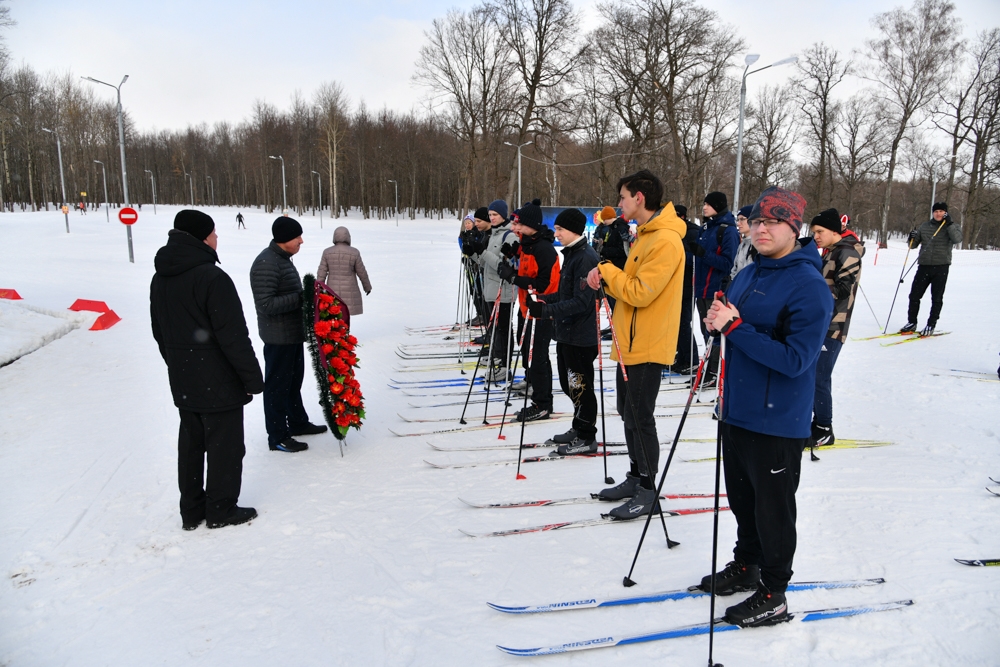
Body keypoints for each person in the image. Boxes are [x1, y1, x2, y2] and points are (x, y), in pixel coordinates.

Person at [699, 186, 832, 627]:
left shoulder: (809, 285)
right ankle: (747, 563)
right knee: (743, 500)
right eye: (756, 221)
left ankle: (774, 591)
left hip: (776, 419)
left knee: (773, 510)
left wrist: (734, 327)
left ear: (794, 228)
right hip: (736, 408)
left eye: (771, 222)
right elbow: (735, 323)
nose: (760, 229)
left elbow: (797, 361)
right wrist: (720, 316)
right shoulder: (750, 271)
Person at [150, 210, 263, 530]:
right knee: (225, 447)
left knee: (191, 444)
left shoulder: (161, 277)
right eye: (214, 233)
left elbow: (159, 331)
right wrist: (253, 379)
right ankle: (221, 509)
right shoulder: (212, 277)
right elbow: (234, 336)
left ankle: (192, 510)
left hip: (184, 378)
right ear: (202, 238)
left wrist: (179, 363)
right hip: (219, 380)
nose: (217, 238)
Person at [586, 169, 686, 519]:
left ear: (639, 198)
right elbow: (630, 283)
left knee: (640, 416)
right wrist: (608, 275)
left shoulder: (665, 240)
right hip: (629, 339)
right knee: (626, 412)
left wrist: (606, 269)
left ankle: (648, 488)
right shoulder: (645, 235)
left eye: (623, 197)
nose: (619, 204)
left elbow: (641, 292)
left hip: (648, 342)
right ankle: (635, 475)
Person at [250, 217, 328, 453]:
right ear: (285, 239)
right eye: (297, 237)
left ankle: (297, 422)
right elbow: (266, 304)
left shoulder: (282, 259)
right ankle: (277, 436)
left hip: (291, 334)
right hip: (278, 338)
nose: (301, 241)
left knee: (293, 383)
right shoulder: (267, 263)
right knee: (277, 387)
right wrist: (300, 298)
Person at [527, 208, 601, 453]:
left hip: (581, 335)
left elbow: (582, 302)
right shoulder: (572, 254)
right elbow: (566, 294)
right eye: (556, 229)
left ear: (574, 231)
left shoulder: (585, 257)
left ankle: (586, 435)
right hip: (567, 333)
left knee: (580, 385)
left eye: (560, 229)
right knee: (568, 383)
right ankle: (578, 424)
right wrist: (544, 300)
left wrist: (547, 312)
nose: (556, 233)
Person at [497, 199, 559, 422]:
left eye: (518, 225)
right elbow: (525, 270)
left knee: (538, 358)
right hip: (526, 310)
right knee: (529, 355)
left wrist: (513, 277)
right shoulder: (527, 244)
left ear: (531, 225)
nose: (514, 228)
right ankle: (538, 396)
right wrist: (513, 257)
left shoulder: (544, 249)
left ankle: (543, 404)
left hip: (541, 312)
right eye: (514, 224)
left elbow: (542, 284)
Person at [810, 208, 864, 447]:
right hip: (819, 322)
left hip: (834, 325)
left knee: (820, 377)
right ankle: (816, 421)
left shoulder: (848, 252)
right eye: (814, 232)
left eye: (820, 231)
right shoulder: (829, 252)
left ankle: (824, 428)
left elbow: (844, 290)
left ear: (834, 231)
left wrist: (811, 289)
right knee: (811, 375)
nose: (816, 237)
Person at [688, 191, 740, 384]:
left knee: (715, 333)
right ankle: (708, 368)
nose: (704, 207)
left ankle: (713, 371)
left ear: (717, 206)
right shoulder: (706, 227)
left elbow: (727, 263)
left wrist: (703, 253)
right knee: (705, 331)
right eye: (704, 203)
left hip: (716, 288)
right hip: (701, 287)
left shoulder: (727, 230)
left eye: (708, 204)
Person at [900, 202, 962, 336]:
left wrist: (949, 224)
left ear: (945, 213)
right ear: (933, 213)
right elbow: (913, 246)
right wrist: (911, 238)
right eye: (936, 211)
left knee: (936, 298)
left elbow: (957, 239)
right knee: (914, 295)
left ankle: (931, 324)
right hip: (924, 266)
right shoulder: (925, 226)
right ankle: (912, 322)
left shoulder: (952, 226)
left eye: (941, 211)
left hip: (941, 267)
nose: (938, 214)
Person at [476, 199, 517, 381]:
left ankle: (505, 365)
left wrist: (483, 252)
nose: (492, 218)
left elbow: (502, 265)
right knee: (496, 327)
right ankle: (499, 357)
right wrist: (474, 252)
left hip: (504, 291)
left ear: (503, 215)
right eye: (490, 215)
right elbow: (485, 264)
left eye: (495, 215)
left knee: (504, 329)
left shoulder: (509, 235)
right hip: (490, 288)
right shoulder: (493, 234)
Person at [671, 204, 701, 375]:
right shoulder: (675, 231)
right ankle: (682, 357)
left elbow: (694, 258)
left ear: (681, 217)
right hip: (676, 282)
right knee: (676, 323)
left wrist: (678, 253)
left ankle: (692, 359)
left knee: (684, 323)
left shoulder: (692, 232)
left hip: (688, 283)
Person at [317, 226, 372, 317]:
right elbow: (362, 272)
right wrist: (367, 287)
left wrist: (319, 290)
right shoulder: (354, 252)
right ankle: (346, 330)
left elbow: (321, 272)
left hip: (332, 290)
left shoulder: (327, 252)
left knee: (335, 315)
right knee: (347, 315)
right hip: (350, 290)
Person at [460, 207, 491, 327]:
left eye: (470, 223)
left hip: (481, 269)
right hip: (472, 266)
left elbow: (482, 252)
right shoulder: (465, 234)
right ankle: (481, 314)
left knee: (480, 291)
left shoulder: (480, 234)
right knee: (474, 290)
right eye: (466, 223)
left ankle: (483, 315)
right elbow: (464, 247)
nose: (468, 225)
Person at [728, 205, 756, 284]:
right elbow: (735, 270)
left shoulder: (758, 245)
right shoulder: (742, 244)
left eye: (742, 219)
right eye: (737, 220)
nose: (738, 223)